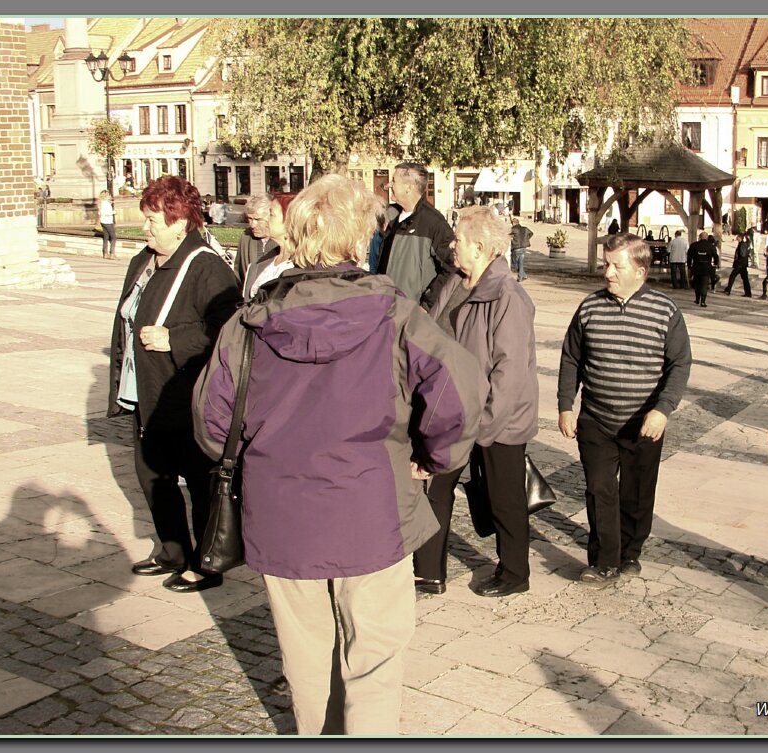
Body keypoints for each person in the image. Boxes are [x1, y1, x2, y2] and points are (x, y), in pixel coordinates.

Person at [193, 174, 483, 734]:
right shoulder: (396, 315)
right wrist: (434, 456)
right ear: (359, 242)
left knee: (305, 657)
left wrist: (262, 459)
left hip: (284, 512)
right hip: (370, 508)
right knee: (373, 659)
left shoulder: (248, 324)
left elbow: (211, 421)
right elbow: (457, 390)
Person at [107, 175, 241, 594]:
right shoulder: (144, 261)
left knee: (199, 481)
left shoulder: (206, 266)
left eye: (153, 221)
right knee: (151, 474)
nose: (145, 228)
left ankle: (206, 560)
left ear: (180, 222)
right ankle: (172, 549)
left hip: (184, 392)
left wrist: (175, 339)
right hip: (144, 388)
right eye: (145, 219)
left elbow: (228, 330)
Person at [413, 206, 539, 598]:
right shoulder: (454, 283)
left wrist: (484, 425)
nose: (452, 246)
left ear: (481, 247)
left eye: (459, 240)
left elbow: (510, 371)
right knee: (435, 485)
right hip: (450, 409)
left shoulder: (507, 295)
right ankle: (429, 571)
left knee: (504, 496)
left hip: (495, 417)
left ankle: (515, 572)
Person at [558, 234, 692, 583]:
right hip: (596, 420)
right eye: (606, 264)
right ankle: (604, 561)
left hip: (643, 423)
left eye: (617, 266)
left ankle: (631, 551)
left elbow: (679, 364)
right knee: (599, 490)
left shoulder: (665, 311)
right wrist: (565, 405)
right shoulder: (589, 307)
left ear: (641, 271)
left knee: (636, 495)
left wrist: (663, 409)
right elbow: (571, 357)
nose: (608, 273)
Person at [376, 162, 456, 309]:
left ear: (409, 187)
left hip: (411, 317)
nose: (389, 185)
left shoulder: (433, 223)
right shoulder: (392, 217)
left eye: (394, 181)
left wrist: (427, 304)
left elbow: (453, 268)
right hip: (386, 309)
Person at [241, 193, 298, 301]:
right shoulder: (262, 263)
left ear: (289, 220)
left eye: (271, 214)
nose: (253, 225)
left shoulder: (305, 266)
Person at [235, 193, 277, 287]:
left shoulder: (283, 241)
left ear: (272, 217)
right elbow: (238, 272)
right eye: (250, 218)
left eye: (258, 219)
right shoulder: (246, 237)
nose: (253, 225)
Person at [686, 231, 719, 307]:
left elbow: (689, 256)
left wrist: (689, 266)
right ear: (707, 237)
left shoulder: (694, 245)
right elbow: (716, 256)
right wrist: (715, 263)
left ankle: (697, 299)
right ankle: (703, 301)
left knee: (697, 284)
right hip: (706, 267)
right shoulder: (711, 246)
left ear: (700, 237)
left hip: (696, 266)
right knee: (704, 284)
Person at [722, 232, 753, 297]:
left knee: (732, 276)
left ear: (740, 238)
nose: (736, 238)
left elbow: (742, 254)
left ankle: (728, 290)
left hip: (740, 264)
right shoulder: (746, 244)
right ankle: (748, 293)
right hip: (743, 264)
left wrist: (739, 261)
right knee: (745, 279)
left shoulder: (742, 245)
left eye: (737, 237)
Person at [509, 215, 534, 283]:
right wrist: (526, 239)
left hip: (516, 247)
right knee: (521, 263)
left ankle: (520, 277)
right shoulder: (525, 228)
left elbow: (507, 234)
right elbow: (531, 233)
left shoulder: (513, 229)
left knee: (515, 263)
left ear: (513, 223)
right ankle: (523, 275)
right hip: (523, 247)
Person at [98, 190, 117, 260]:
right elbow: (107, 213)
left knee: (106, 237)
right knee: (113, 237)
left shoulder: (101, 203)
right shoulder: (106, 204)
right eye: (109, 195)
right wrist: (114, 212)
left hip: (103, 222)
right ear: (106, 196)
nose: (110, 196)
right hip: (108, 222)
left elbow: (100, 213)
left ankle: (105, 253)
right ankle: (112, 253)